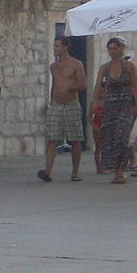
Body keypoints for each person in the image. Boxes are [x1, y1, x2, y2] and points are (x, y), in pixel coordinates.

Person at [39, 36, 88, 182]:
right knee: (52, 139)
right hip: (56, 104)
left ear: (65, 47)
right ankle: (47, 171)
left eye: (57, 46)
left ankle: (75, 172)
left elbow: (83, 84)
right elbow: (54, 84)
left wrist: (69, 88)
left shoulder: (76, 64)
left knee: (74, 140)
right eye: (54, 46)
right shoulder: (54, 66)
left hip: (71, 105)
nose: (55, 49)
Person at [94, 38, 137, 183]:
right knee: (110, 138)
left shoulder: (129, 66)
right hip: (110, 105)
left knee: (122, 136)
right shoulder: (104, 68)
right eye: (110, 48)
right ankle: (115, 169)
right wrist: (95, 103)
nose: (112, 51)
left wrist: (136, 104)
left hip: (126, 103)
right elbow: (98, 86)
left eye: (115, 48)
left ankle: (121, 170)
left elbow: (135, 85)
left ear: (121, 49)